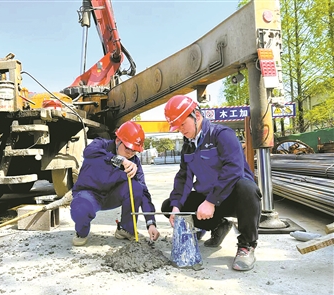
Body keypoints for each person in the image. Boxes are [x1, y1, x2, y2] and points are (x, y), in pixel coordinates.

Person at [161, 95, 261, 271]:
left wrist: (211, 201)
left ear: (197, 116)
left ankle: (247, 245)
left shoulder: (222, 135)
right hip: (209, 200)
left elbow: (233, 170)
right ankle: (219, 226)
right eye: (177, 127)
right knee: (168, 205)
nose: (180, 130)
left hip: (233, 199)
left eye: (182, 124)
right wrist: (177, 206)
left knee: (248, 189)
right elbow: (184, 178)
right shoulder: (188, 146)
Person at [70, 121, 160, 246]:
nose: (130, 154)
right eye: (128, 148)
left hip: (112, 196)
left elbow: (143, 192)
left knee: (137, 187)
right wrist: (119, 160)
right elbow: (88, 153)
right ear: (118, 140)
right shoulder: (101, 144)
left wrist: (151, 223)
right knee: (81, 208)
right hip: (89, 194)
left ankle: (126, 229)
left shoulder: (134, 162)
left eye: (134, 151)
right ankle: (82, 232)